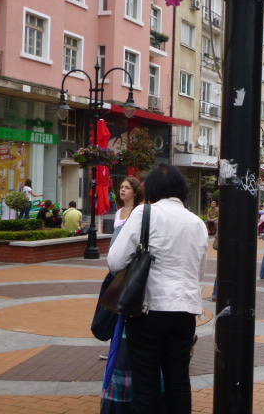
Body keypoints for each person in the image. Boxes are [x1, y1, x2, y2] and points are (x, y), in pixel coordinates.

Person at [108, 164, 208, 413]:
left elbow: (115, 261)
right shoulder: (197, 222)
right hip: (185, 311)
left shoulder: (144, 213)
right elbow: (199, 272)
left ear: (151, 189)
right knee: (178, 379)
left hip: (148, 309)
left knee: (146, 382)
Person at [100, 176, 144, 412]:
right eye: (121, 187)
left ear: (135, 191)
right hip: (115, 271)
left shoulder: (139, 212)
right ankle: (112, 345)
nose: (123, 190)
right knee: (110, 309)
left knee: (122, 312)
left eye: (127, 187)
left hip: (128, 271)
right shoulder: (119, 212)